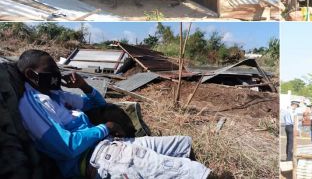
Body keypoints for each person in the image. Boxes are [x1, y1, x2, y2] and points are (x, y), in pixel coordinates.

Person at [16, 49, 210, 179]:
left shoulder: (56, 94)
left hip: (109, 143)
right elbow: (66, 147)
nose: (57, 75)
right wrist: (104, 128)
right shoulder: (32, 105)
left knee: (182, 144)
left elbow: (100, 105)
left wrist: (84, 86)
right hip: (95, 157)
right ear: (31, 75)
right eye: (51, 70)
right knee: (183, 170)